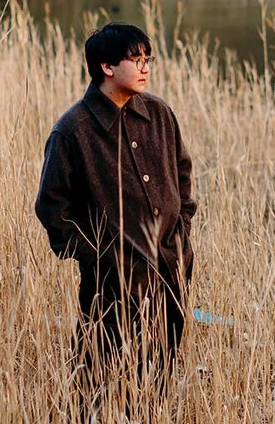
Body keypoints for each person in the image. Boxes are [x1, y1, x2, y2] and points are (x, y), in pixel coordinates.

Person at [35, 22, 196, 404]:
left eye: (148, 59)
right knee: (98, 380)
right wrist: (98, 256)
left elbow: (183, 177)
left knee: (158, 377)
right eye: (135, 60)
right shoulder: (73, 131)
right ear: (107, 67)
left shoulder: (159, 114)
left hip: (171, 271)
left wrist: (181, 235)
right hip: (111, 281)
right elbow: (53, 207)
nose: (145, 68)